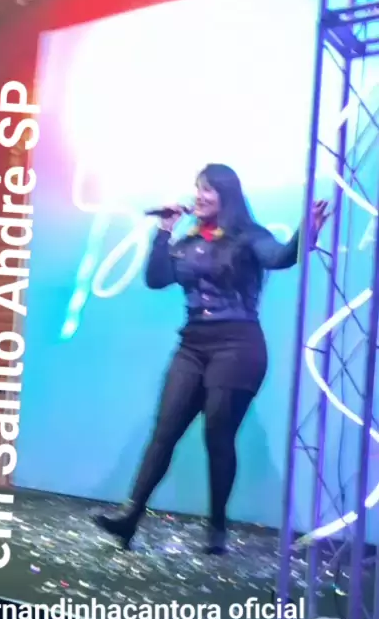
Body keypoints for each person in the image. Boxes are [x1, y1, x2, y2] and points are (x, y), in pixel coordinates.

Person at [93, 164, 328, 553]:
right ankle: (129, 517)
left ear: (226, 196)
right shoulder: (186, 241)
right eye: (197, 188)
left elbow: (281, 257)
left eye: (207, 190)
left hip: (238, 346)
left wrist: (307, 231)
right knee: (165, 430)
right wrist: (164, 231)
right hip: (193, 345)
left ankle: (217, 525)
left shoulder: (248, 236)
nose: (198, 196)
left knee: (217, 434)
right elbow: (156, 279)